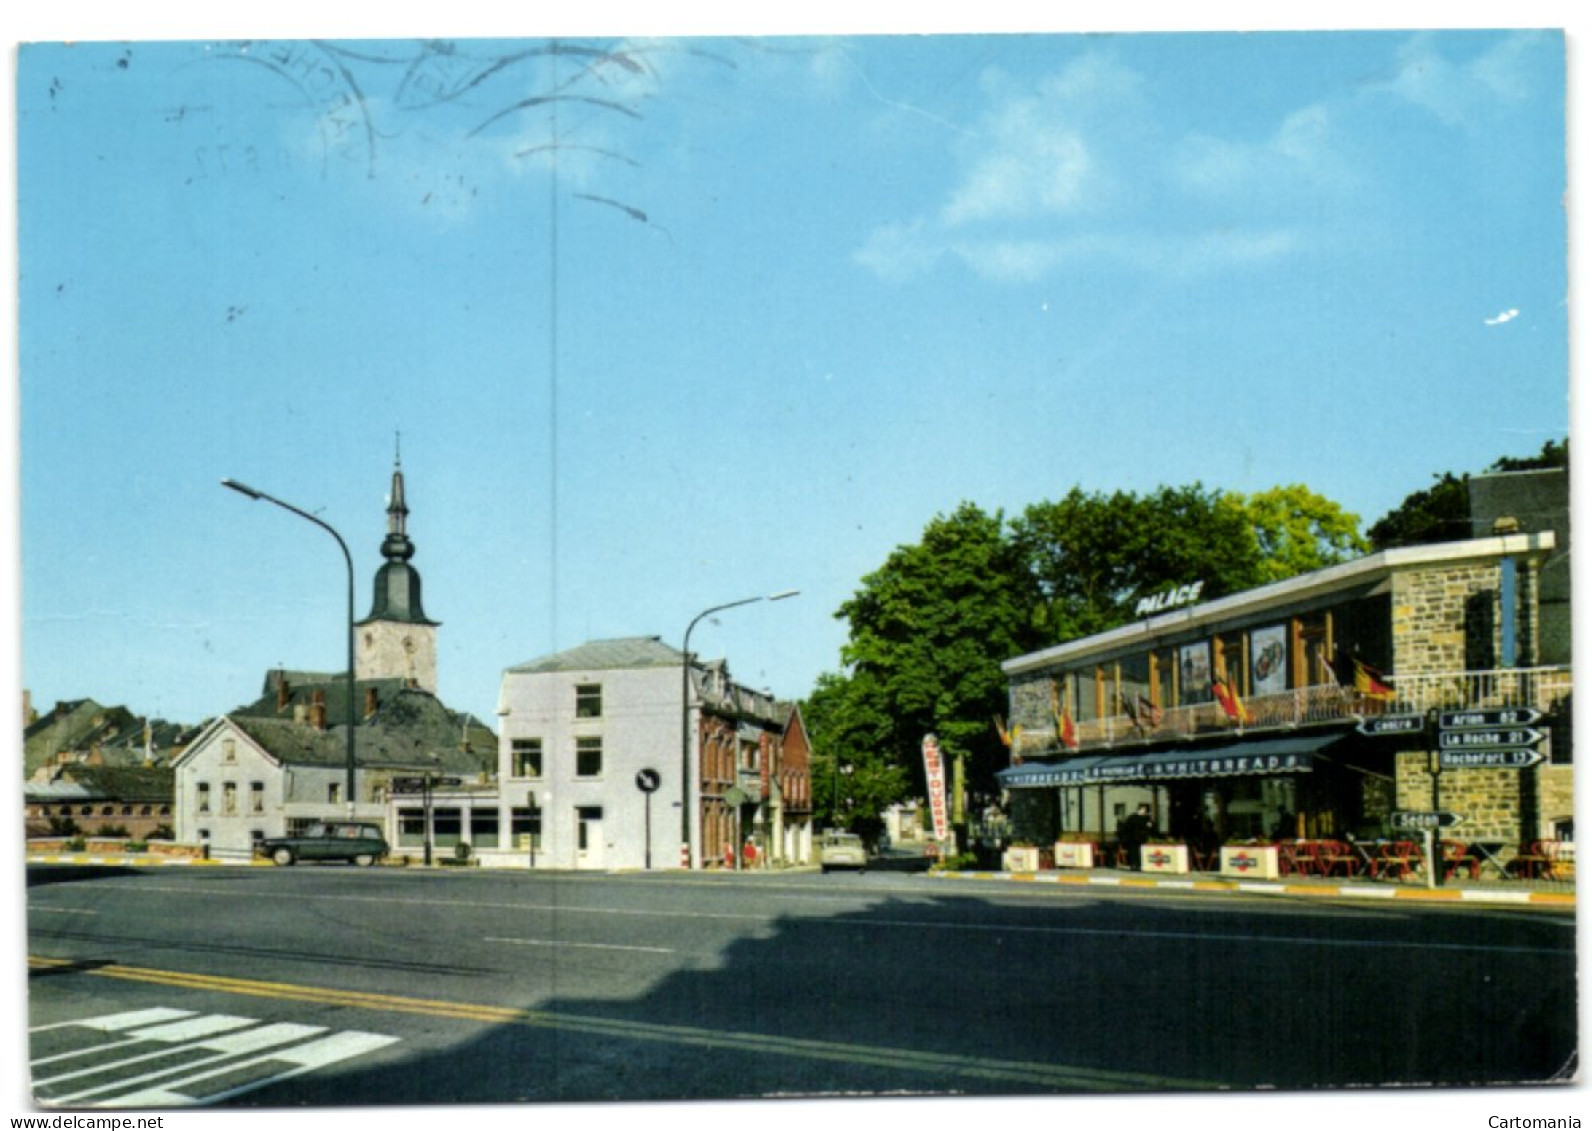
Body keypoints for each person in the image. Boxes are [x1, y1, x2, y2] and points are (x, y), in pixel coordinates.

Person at [1117, 803, 1153, 870]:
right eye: (1143, 810)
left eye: (1145, 810)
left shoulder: (1146, 818)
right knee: (1133, 852)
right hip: (1133, 838)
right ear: (1140, 809)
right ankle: (1134, 865)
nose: (1144, 811)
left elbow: (1149, 827)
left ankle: (1139, 865)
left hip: (1142, 839)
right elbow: (1126, 827)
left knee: (1140, 852)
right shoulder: (1132, 817)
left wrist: (1149, 826)